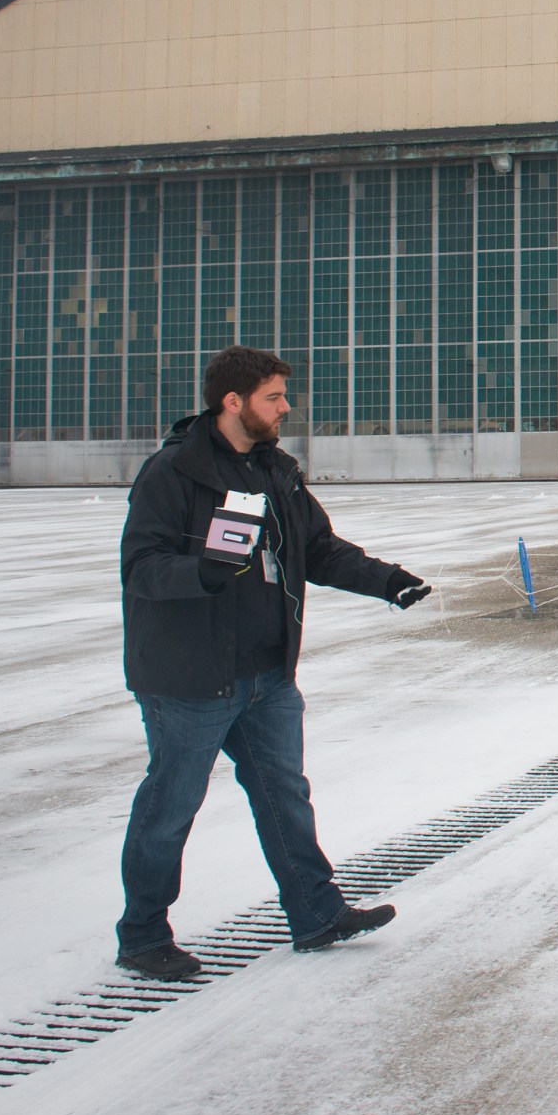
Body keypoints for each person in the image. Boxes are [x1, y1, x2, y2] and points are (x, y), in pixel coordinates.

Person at [115, 344, 432, 979]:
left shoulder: (275, 469)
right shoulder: (174, 472)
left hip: (266, 674)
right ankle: (143, 936)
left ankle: (317, 915)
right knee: (170, 807)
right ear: (233, 402)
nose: (286, 407)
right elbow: (141, 567)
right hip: (190, 679)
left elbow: (317, 548)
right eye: (274, 397)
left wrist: (387, 580)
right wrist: (202, 572)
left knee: (285, 795)